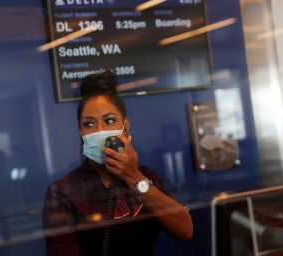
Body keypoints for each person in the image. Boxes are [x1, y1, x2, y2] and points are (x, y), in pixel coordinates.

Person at [42, 70, 193, 256]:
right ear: (80, 132)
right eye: (89, 124)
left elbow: (185, 230)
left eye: (109, 121)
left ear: (126, 127)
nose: (100, 130)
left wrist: (133, 177)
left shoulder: (146, 176)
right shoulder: (63, 191)